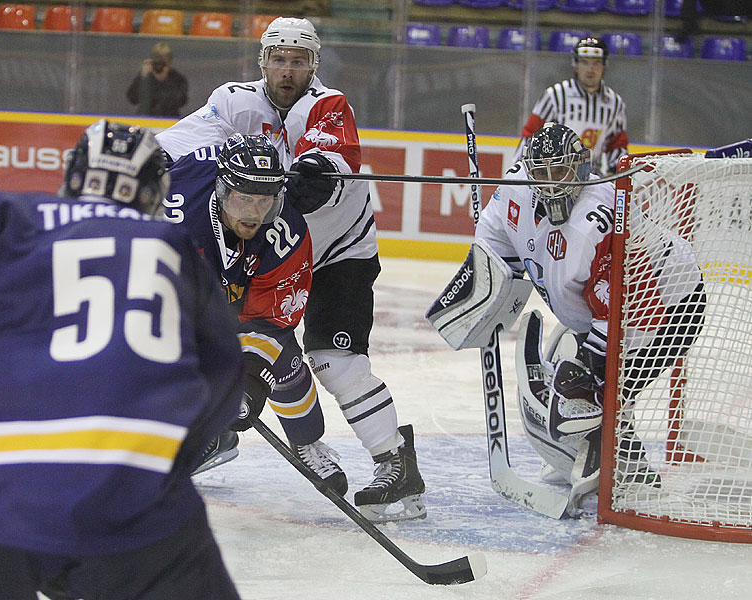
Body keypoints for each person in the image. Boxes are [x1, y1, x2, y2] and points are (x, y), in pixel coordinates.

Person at [0, 119, 244, 599]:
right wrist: (164, 460)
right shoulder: (174, 249)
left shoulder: (4, 217)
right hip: (126, 499)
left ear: (68, 180)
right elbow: (223, 379)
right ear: (155, 196)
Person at [154, 17, 425, 522]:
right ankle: (223, 429)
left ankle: (395, 464)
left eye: (297, 60)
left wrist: (311, 173)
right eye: (278, 58)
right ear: (263, 63)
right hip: (270, 248)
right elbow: (177, 143)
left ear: (312, 65)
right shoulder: (235, 101)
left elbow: (325, 164)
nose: (287, 69)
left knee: (333, 363)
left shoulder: (326, 104)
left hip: (339, 250)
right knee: (240, 334)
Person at [465, 122, 704, 512]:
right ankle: (603, 455)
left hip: (669, 306)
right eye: (540, 172)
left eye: (559, 171)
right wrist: (491, 284)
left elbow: (625, 310)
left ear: (580, 168)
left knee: (596, 394)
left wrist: (591, 370)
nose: (549, 183)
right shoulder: (517, 187)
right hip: (601, 309)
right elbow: (492, 235)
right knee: (586, 387)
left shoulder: (597, 219)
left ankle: (625, 472)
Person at [170, 133, 346, 494]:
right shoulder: (177, 215)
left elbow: (272, 320)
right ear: (222, 192)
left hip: (237, 298)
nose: (253, 212)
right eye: (244, 199)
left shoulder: (286, 233)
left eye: (265, 201)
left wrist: (250, 383)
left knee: (279, 355)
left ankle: (306, 440)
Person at [514, 37, 628, 176]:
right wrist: (520, 173)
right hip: (554, 178)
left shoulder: (614, 102)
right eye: (585, 62)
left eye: (596, 63)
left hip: (592, 179)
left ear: (604, 66)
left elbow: (617, 146)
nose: (590, 69)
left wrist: (614, 173)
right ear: (575, 65)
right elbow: (531, 136)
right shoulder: (555, 96)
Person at [126, 42, 189, 118]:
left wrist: (164, 81)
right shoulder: (145, 76)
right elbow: (133, 98)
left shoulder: (177, 79)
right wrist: (143, 79)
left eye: (163, 62)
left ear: (170, 61)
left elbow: (180, 101)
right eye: (157, 61)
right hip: (145, 117)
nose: (160, 65)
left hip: (169, 118)